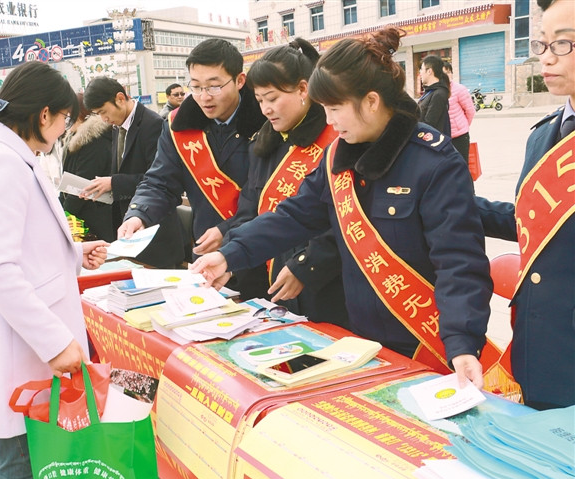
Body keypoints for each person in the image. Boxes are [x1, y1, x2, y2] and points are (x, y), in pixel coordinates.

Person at [192, 28, 494, 389]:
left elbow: (460, 262)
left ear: (371, 101)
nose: (330, 121)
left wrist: (462, 343)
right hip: (364, 345)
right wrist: (230, 255)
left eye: (335, 109)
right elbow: (295, 215)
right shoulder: (338, 157)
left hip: (426, 345)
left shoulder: (434, 162)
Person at [0, 61, 109, 479]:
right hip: (22, 350)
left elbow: (18, 245)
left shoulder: (10, 157)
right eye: (63, 120)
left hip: (22, 343)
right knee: (21, 474)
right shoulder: (3, 165)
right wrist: (55, 342)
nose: (62, 131)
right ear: (44, 115)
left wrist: (73, 253)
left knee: (31, 471)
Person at [475, 0, 575, 410]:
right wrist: (454, 202)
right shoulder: (543, 135)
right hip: (538, 340)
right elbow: (528, 222)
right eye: (541, 44)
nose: (546, 59)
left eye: (563, 44)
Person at [118, 38, 267, 297]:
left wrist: (227, 231)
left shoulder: (267, 121)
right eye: (196, 87)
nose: (204, 97)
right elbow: (160, 182)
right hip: (207, 258)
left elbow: (273, 195)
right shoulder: (179, 126)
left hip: (264, 254)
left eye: (214, 86)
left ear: (240, 81)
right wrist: (138, 214)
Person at [222, 38, 348, 325]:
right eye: (259, 100)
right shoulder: (265, 143)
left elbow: (343, 219)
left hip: (328, 282)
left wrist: (306, 265)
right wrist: (229, 259)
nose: (266, 109)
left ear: (303, 89)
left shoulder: (337, 139)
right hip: (273, 281)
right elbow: (249, 211)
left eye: (273, 98)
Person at [83, 76, 185, 267]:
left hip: (155, 230)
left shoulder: (152, 124)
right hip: (129, 228)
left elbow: (158, 179)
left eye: (104, 112)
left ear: (120, 98)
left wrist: (114, 183)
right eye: (98, 114)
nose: (104, 119)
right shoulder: (117, 126)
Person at [61, 92, 114, 241]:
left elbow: (83, 182)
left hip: (94, 216)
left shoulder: (94, 140)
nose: (64, 118)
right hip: (82, 214)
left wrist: (65, 213)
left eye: (66, 114)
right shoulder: (75, 138)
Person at [443, 62, 475, 162]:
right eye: (444, 72)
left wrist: (462, 126)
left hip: (460, 136)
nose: (447, 75)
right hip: (444, 137)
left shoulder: (460, 89)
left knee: (462, 166)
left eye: (449, 72)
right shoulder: (438, 91)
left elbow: (470, 111)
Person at [417, 55, 451, 137]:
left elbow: (429, 124)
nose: (420, 73)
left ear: (429, 71)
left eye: (421, 69)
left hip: (431, 145)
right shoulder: (430, 92)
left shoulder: (439, 94)